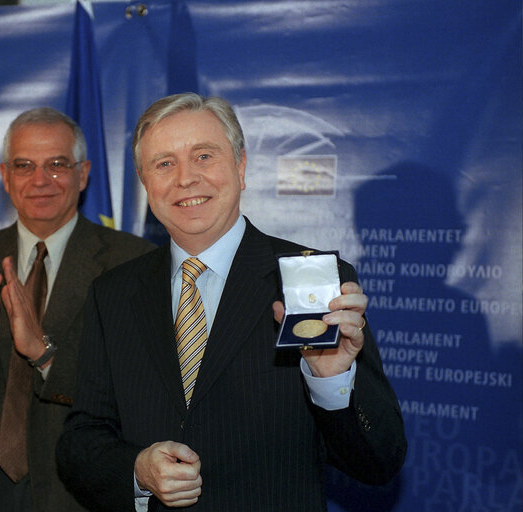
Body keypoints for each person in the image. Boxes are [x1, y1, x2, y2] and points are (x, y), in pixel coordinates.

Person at [56, 93, 407, 511]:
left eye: (204, 156)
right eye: (164, 163)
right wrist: (137, 471)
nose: (186, 178)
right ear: (144, 182)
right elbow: (81, 440)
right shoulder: (112, 292)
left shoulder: (311, 283)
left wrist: (331, 381)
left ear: (240, 167)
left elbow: (379, 462)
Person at [0, 107, 155, 512]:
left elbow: (136, 395)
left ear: (83, 173)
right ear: (6, 177)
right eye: (24, 166)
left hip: (76, 493)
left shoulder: (132, 262)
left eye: (57, 164)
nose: (40, 180)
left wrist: (43, 353)